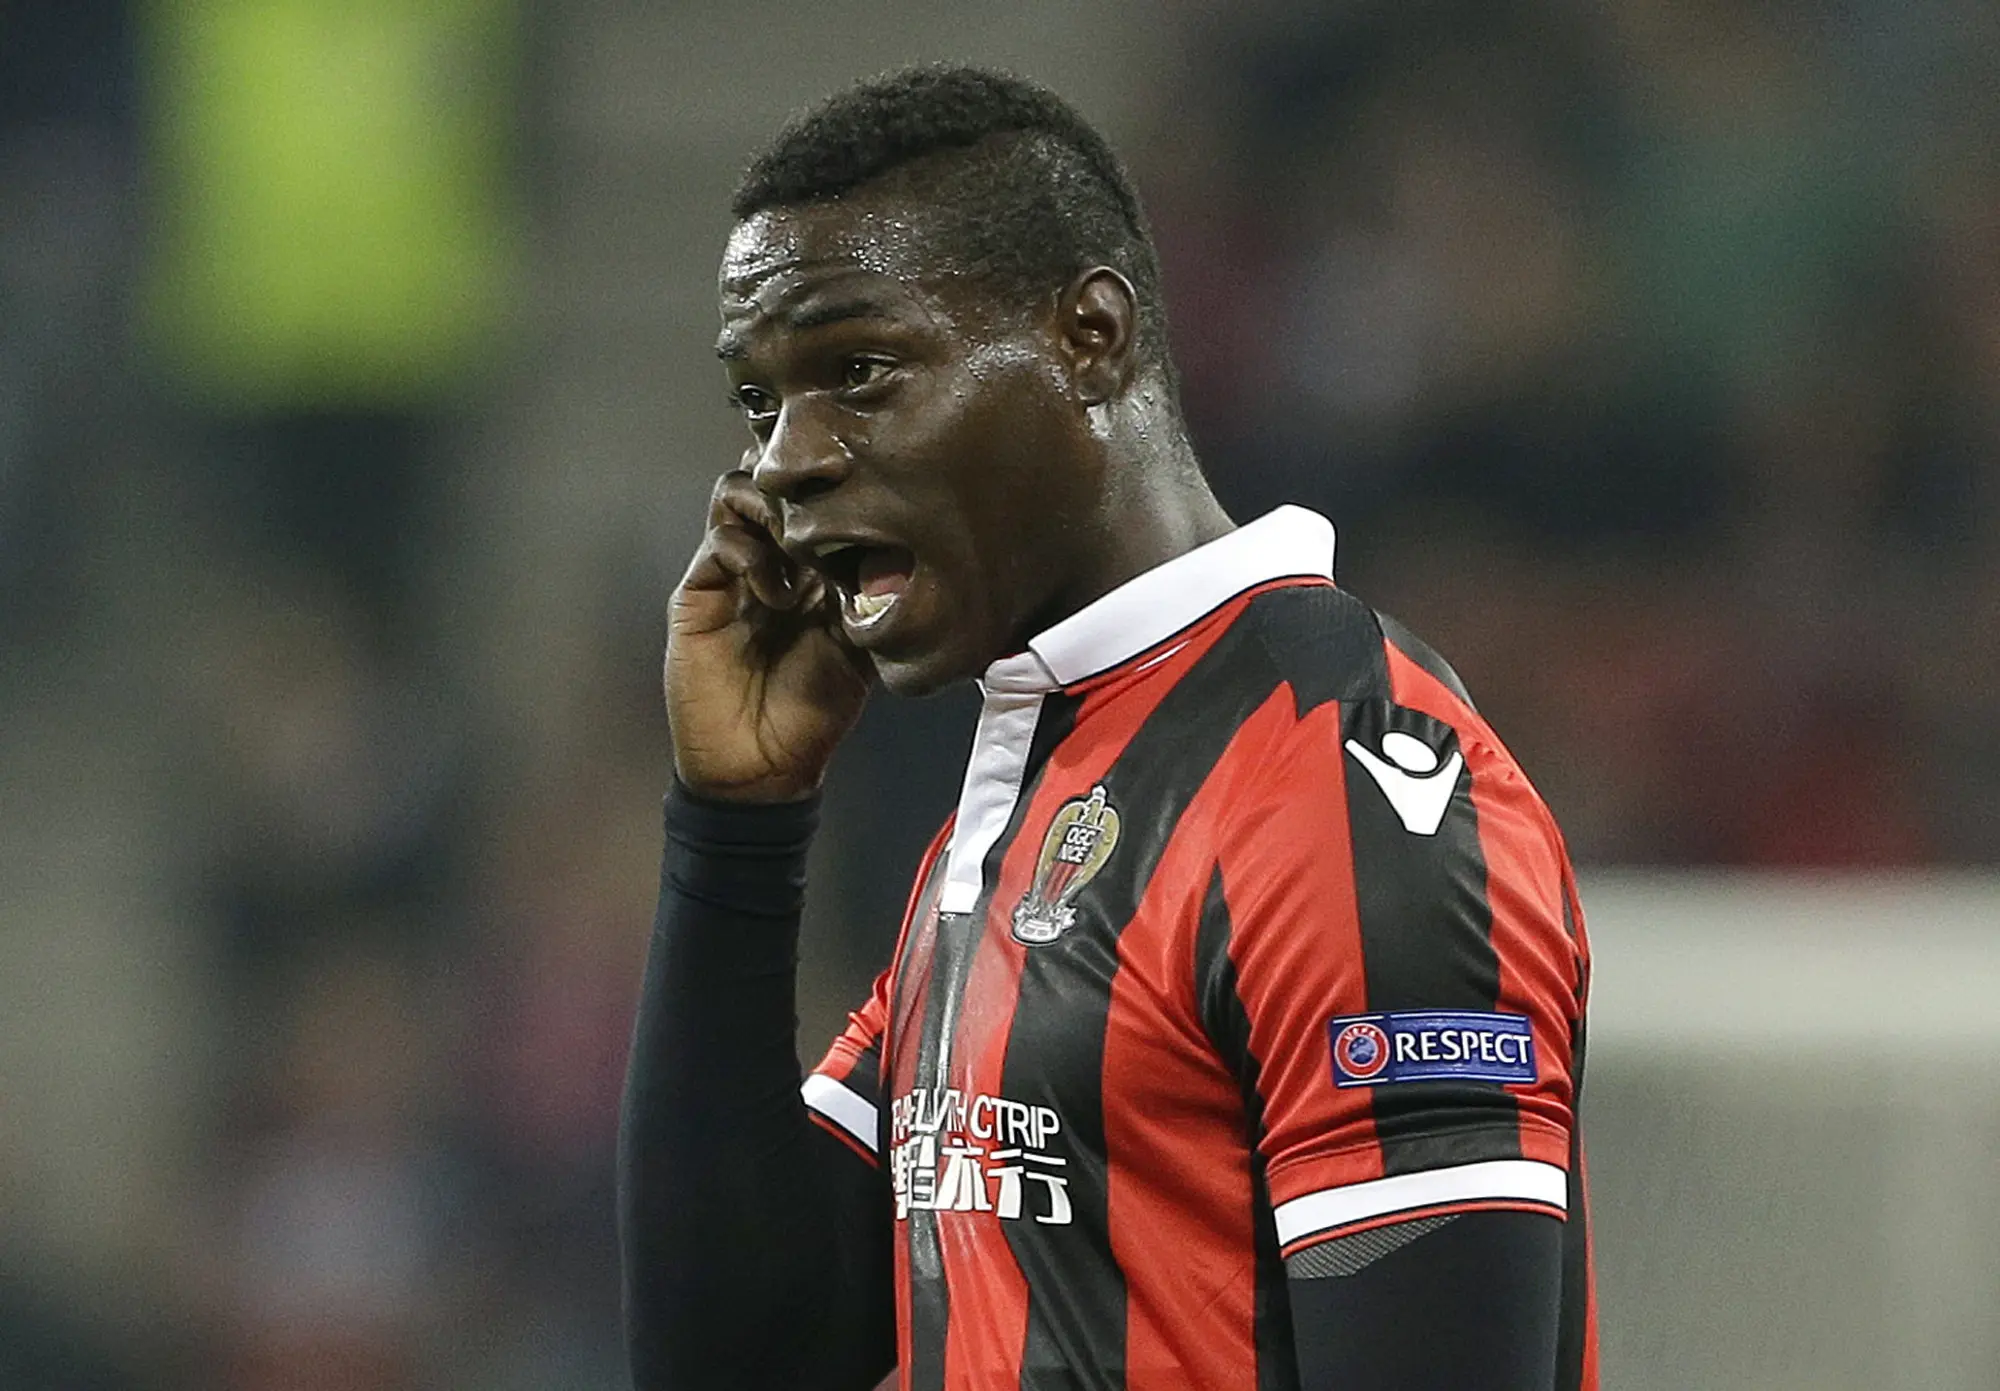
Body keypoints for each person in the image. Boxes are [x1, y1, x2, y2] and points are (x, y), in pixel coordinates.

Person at [619, 65, 1596, 1391]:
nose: (784, 460)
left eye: (856, 369)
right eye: (761, 402)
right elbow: (746, 1354)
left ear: (1089, 337)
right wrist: (734, 833)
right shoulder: (1038, 776)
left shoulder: (1346, 788)